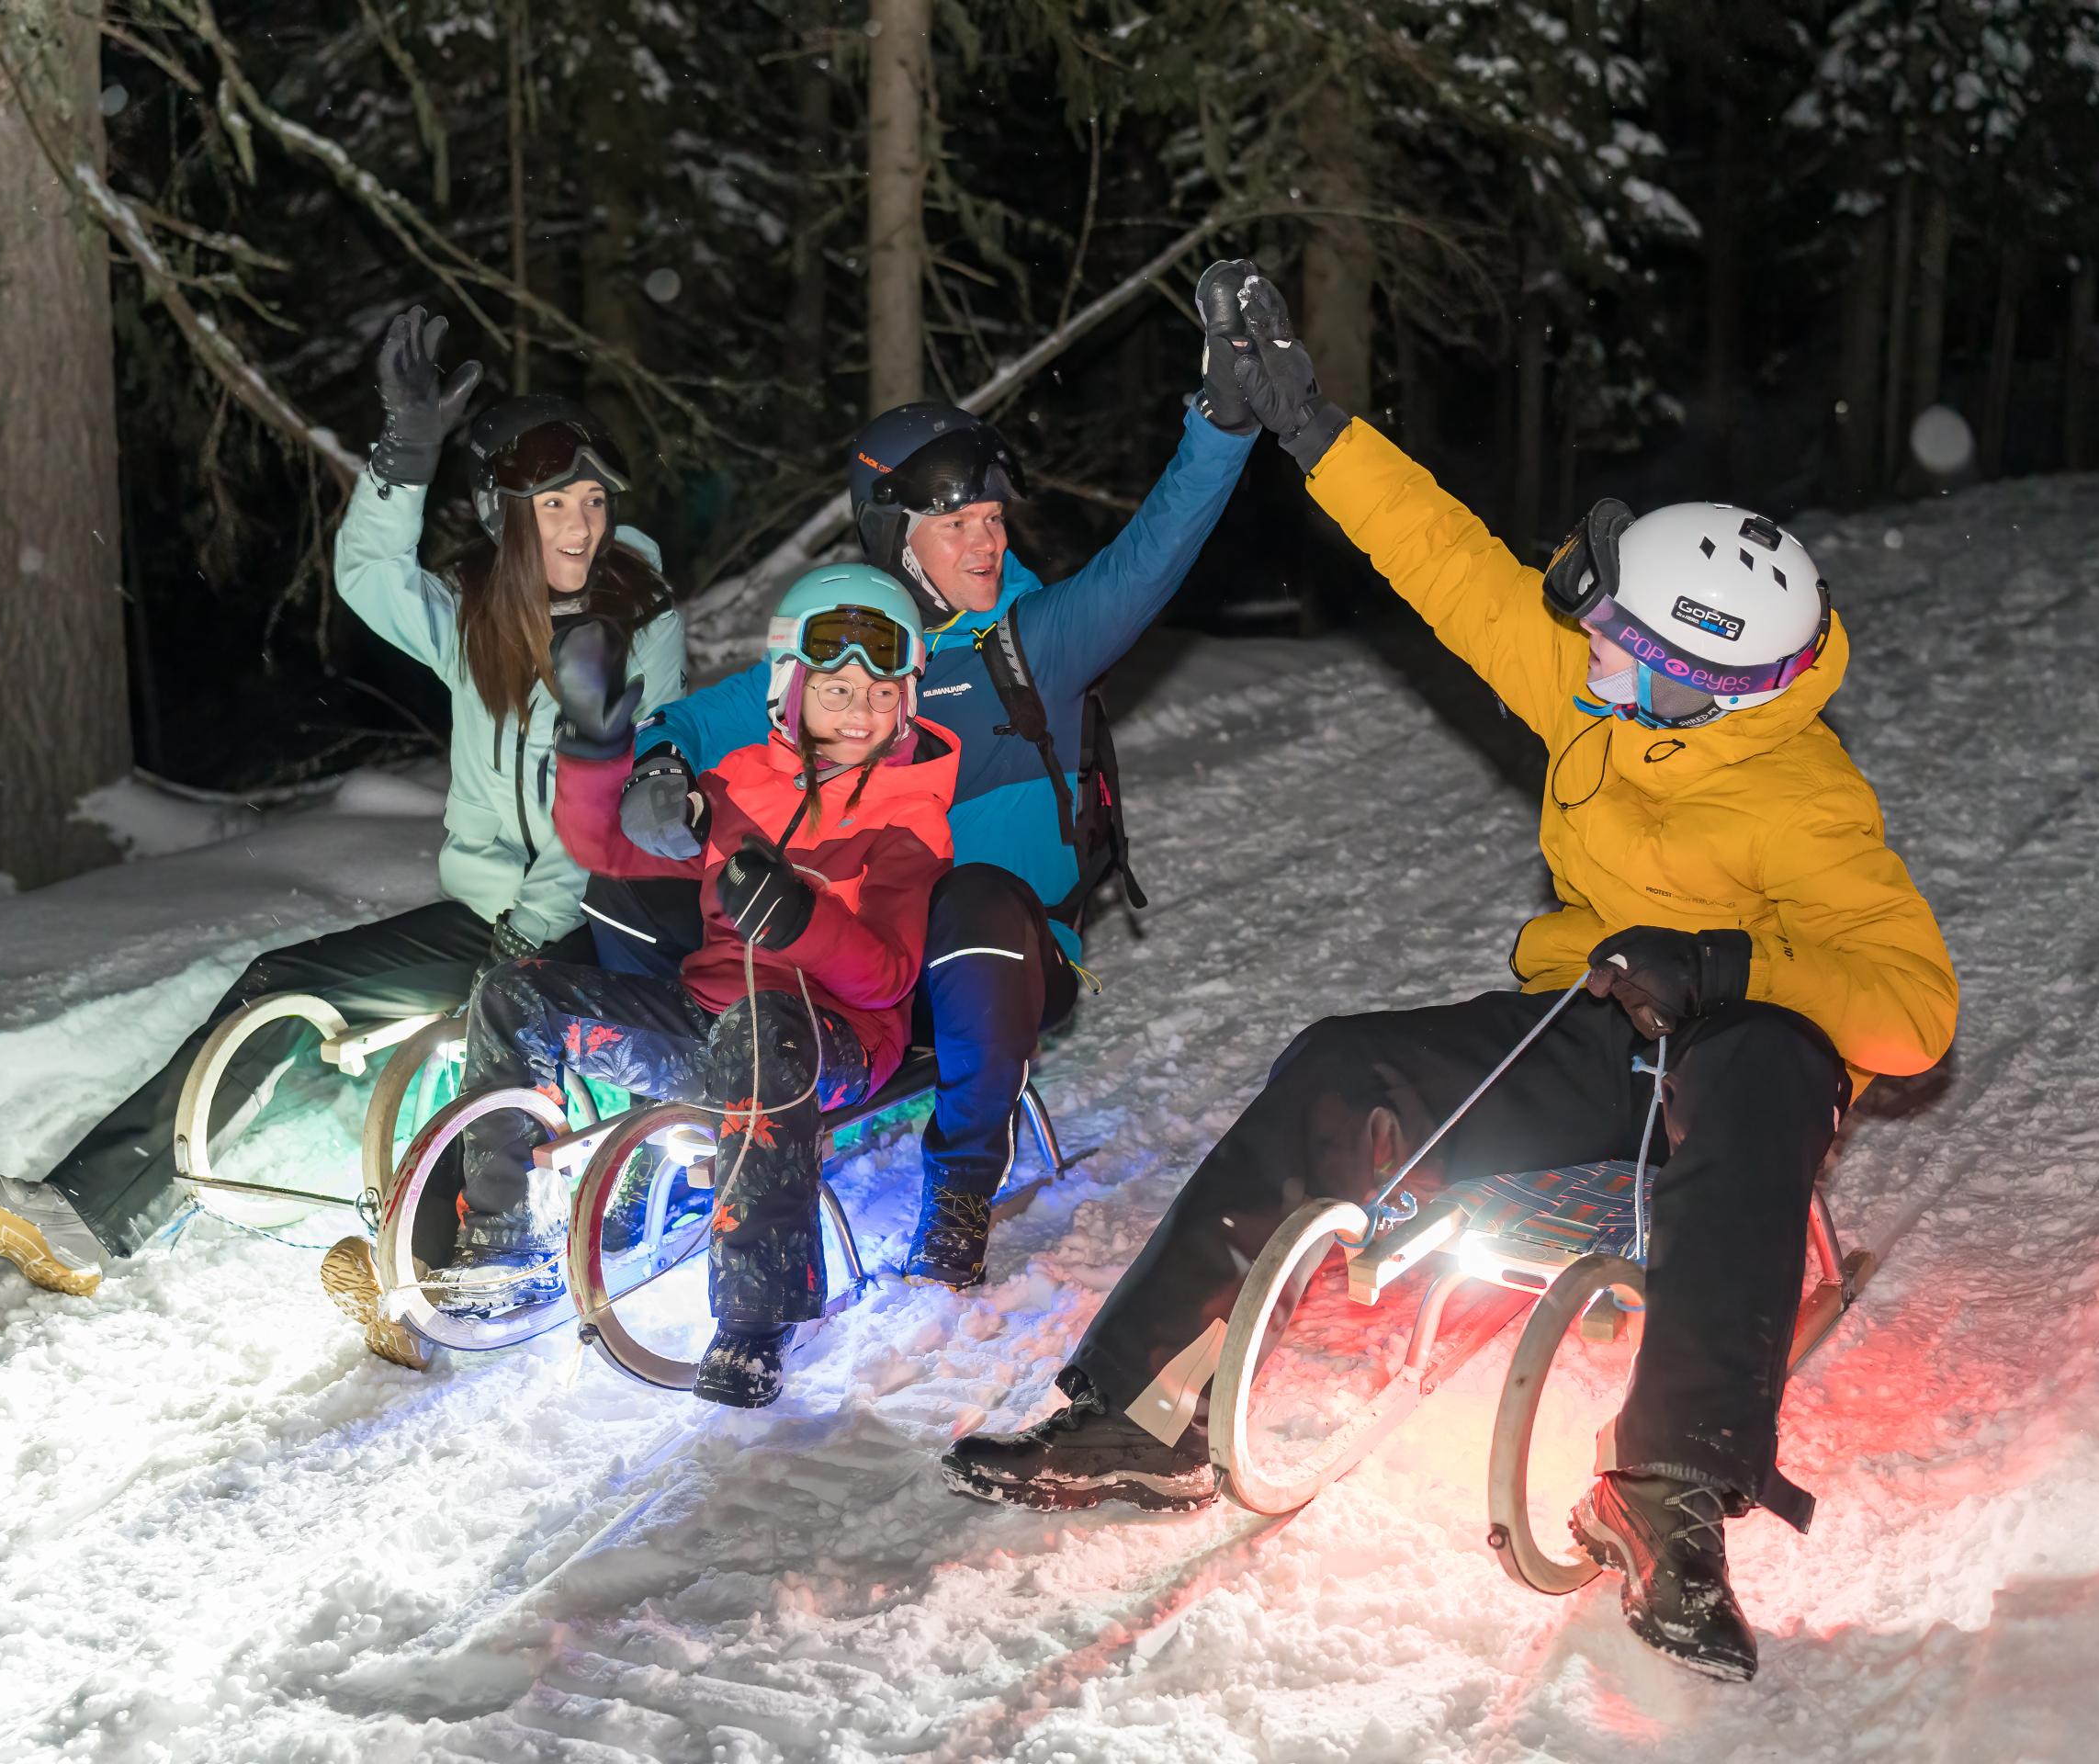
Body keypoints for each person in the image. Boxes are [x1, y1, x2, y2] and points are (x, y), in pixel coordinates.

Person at [941, 276, 1958, 1685]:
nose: (1580, 645)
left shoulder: (1804, 795)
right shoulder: (1595, 689)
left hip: (1736, 1072)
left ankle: (1667, 1494)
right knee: (1340, 1064)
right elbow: (1451, 561)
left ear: (1692, 673)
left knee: (1765, 1061)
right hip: (1601, 1027)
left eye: (1615, 638)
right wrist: (1310, 429)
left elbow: (1916, 1012)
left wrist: (1727, 965)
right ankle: (1144, 1411)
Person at [0, 308, 687, 1311]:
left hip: (600, 924)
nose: (582, 525)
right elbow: (369, 575)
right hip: (491, 913)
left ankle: (452, 1271)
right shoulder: (477, 617)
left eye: (590, 500)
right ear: (506, 516)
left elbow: (622, 806)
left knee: (490, 1039)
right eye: (554, 506)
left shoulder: (642, 619)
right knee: (282, 985)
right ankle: (90, 1215)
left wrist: (534, 931)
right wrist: (405, 450)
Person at [589, 263, 1264, 1291]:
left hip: (991, 961)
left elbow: (1154, 551)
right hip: (842, 954)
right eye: (960, 525)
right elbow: (693, 716)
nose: (990, 540)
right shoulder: (842, 654)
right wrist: (659, 768)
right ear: (896, 540)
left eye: (995, 519)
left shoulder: (1042, 640)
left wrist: (1220, 420)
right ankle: (672, 1117)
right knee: (633, 885)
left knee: (972, 896)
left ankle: (958, 1186)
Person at [400, 564, 955, 1406]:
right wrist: (594, 749)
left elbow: (886, 976)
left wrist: (799, 920)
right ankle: (508, 1242)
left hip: (829, 1041)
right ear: (791, 686)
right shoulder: (744, 784)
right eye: (838, 688)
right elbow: (606, 850)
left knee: (760, 1032)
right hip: (711, 1021)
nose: (860, 713)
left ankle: (756, 1321)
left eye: (882, 695)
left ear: (908, 701)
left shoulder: (908, 817)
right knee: (517, 993)